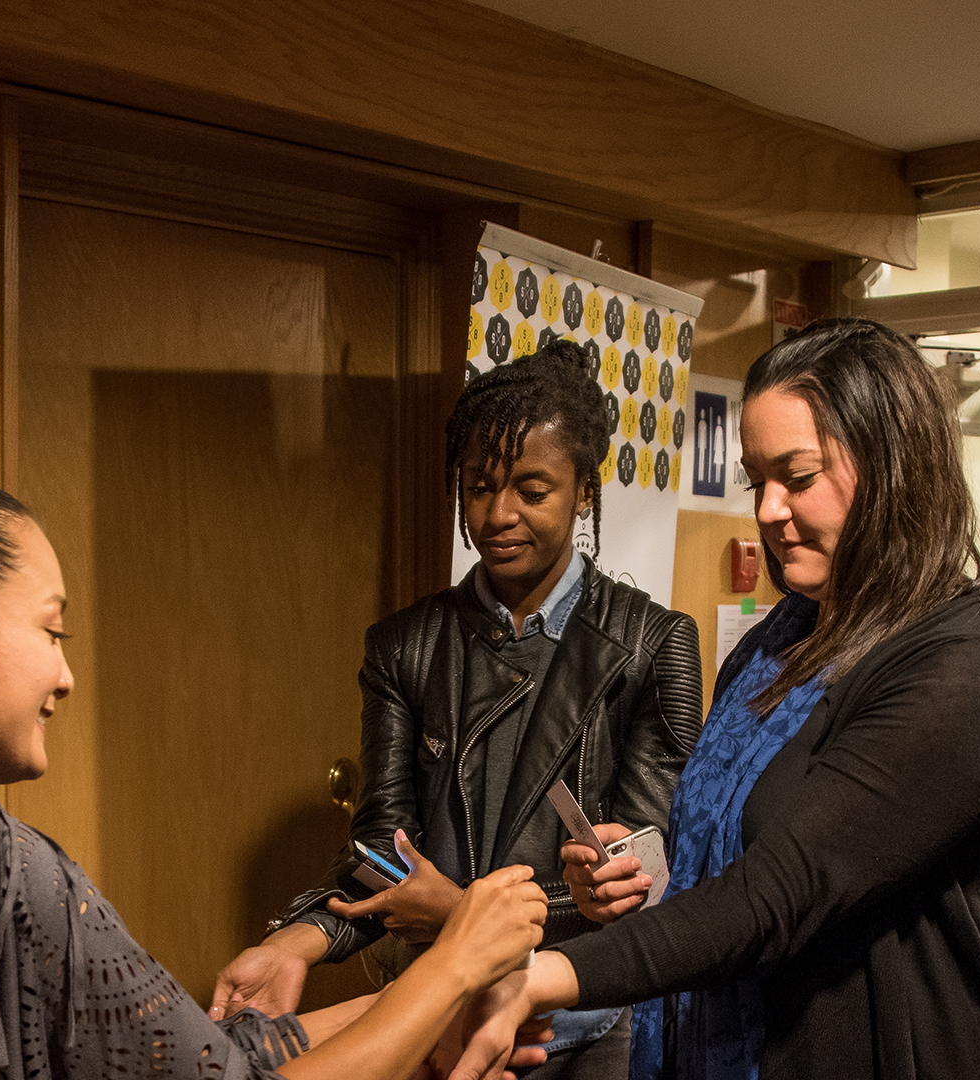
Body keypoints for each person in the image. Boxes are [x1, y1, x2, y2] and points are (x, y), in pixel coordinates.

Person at [0, 439, 549, 1080]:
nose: (65, 676)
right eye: (51, 632)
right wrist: (454, 963)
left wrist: (424, 1008)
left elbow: (182, 1057)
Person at [446, 317, 980, 1080]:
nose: (766, 509)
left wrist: (543, 977)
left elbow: (778, 893)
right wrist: (646, 875)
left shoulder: (971, 672)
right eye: (755, 480)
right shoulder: (781, 639)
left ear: (894, 468)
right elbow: (733, 854)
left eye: (797, 478)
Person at [213, 340, 703, 1077]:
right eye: (478, 488)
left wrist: (456, 909)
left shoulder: (652, 643)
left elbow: (646, 878)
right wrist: (295, 941)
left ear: (584, 493)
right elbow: (384, 846)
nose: (498, 515)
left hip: (583, 1022)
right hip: (437, 1014)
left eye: (532, 491)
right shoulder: (405, 645)